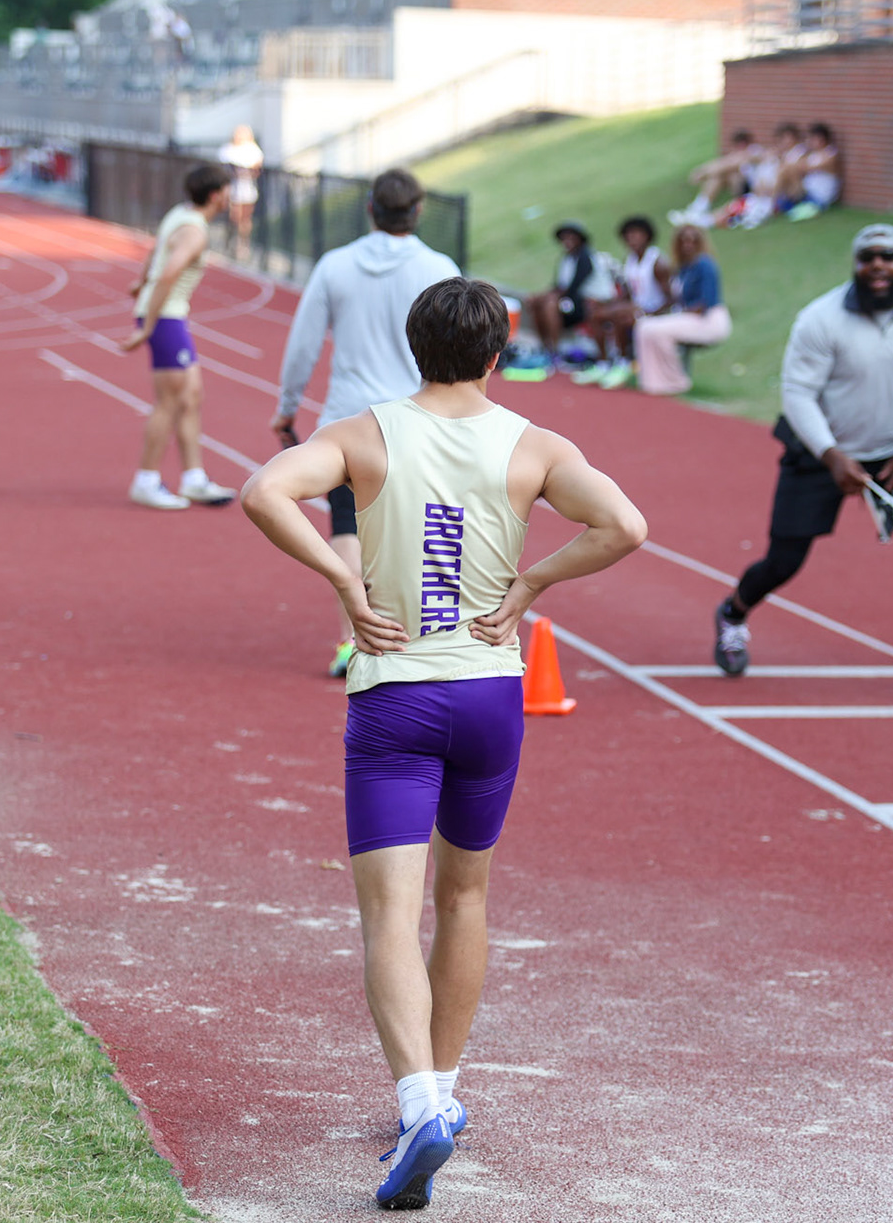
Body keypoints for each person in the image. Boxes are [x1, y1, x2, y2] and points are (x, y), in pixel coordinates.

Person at [239, 276, 646, 1211]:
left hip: (395, 698)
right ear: (501, 351)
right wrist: (534, 581)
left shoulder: (363, 433)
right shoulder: (537, 446)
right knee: (465, 898)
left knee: (390, 915)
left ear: (409, 346)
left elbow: (265, 493)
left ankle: (419, 1102)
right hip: (489, 697)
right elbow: (624, 526)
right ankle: (444, 1098)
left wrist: (345, 581)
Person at [712, 224, 893, 698]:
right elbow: (798, 393)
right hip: (821, 454)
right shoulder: (821, 319)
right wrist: (831, 454)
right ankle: (733, 614)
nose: (878, 265)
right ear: (855, 264)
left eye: (890, 256)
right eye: (868, 257)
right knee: (784, 560)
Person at [272, 168, 460, 677]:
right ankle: (425, 640)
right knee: (423, 530)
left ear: (370, 209)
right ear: (418, 211)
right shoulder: (439, 267)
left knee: (347, 529)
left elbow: (304, 342)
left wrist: (288, 405)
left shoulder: (336, 265)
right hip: (418, 419)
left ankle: (353, 640)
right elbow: (459, 345)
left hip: (349, 421)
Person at [117, 164, 239, 510]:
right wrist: (147, 327)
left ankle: (194, 478)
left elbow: (157, 252)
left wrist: (141, 282)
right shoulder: (196, 232)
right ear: (216, 196)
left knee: (191, 395)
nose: (230, 198)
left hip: (170, 314)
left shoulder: (179, 213)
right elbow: (169, 273)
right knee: (168, 402)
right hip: (165, 317)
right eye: (228, 192)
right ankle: (146, 479)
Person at [615, 224, 729, 394]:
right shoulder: (683, 268)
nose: (687, 245)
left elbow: (706, 302)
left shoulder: (705, 265)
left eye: (692, 241)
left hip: (709, 319)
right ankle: (653, 382)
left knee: (655, 329)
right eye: (683, 241)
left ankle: (676, 380)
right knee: (644, 327)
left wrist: (678, 314)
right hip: (688, 317)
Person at [575, 215, 674, 383]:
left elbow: (671, 299)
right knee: (596, 313)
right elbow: (626, 294)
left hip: (656, 311)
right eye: (628, 235)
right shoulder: (630, 260)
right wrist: (607, 304)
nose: (632, 239)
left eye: (636, 234)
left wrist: (649, 312)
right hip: (634, 308)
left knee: (621, 315)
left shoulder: (657, 262)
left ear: (647, 236)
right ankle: (603, 363)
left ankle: (623, 363)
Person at [520, 221, 612, 368]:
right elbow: (558, 286)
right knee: (536, 303)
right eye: (564, 238)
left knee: (551, 304)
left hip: (589, 303)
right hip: (573, 302)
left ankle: (556, 352)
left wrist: (549, 296)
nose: (567, 242)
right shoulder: (566, 259)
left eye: (571, 238)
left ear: (580, 239)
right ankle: (545, 349)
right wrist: (539, 297)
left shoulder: (585, 257)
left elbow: (573, 288)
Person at [668, 130, 764, 228]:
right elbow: (723, 162)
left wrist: (703, 173)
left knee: (729, 171)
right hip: (739, 186)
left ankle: (700, 216)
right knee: (716, 178)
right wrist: (702, 170)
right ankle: (698, 208)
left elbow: (730, 164)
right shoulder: (738, 154)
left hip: (751, 190)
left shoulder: (754, 151)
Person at [772, 123, 842, 222]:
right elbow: (800, 166)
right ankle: (774, 202)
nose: (809, 141)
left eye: (812, 139)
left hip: (819, 197)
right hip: (807, 192)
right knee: (786, 171)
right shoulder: (812, 154)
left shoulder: (830, 153)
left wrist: (795, 165)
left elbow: (809, 167)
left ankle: (772, 204)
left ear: (820, 138)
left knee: (788, 169)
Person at [218, 124, 264, 260]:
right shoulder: (228, 150)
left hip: (247, 189)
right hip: (232, 189)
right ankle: (232, 241)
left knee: (245, 218)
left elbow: (257, 169)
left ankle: (243, 244)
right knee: (234, 216)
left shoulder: (253, 150)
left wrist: (247, 172)